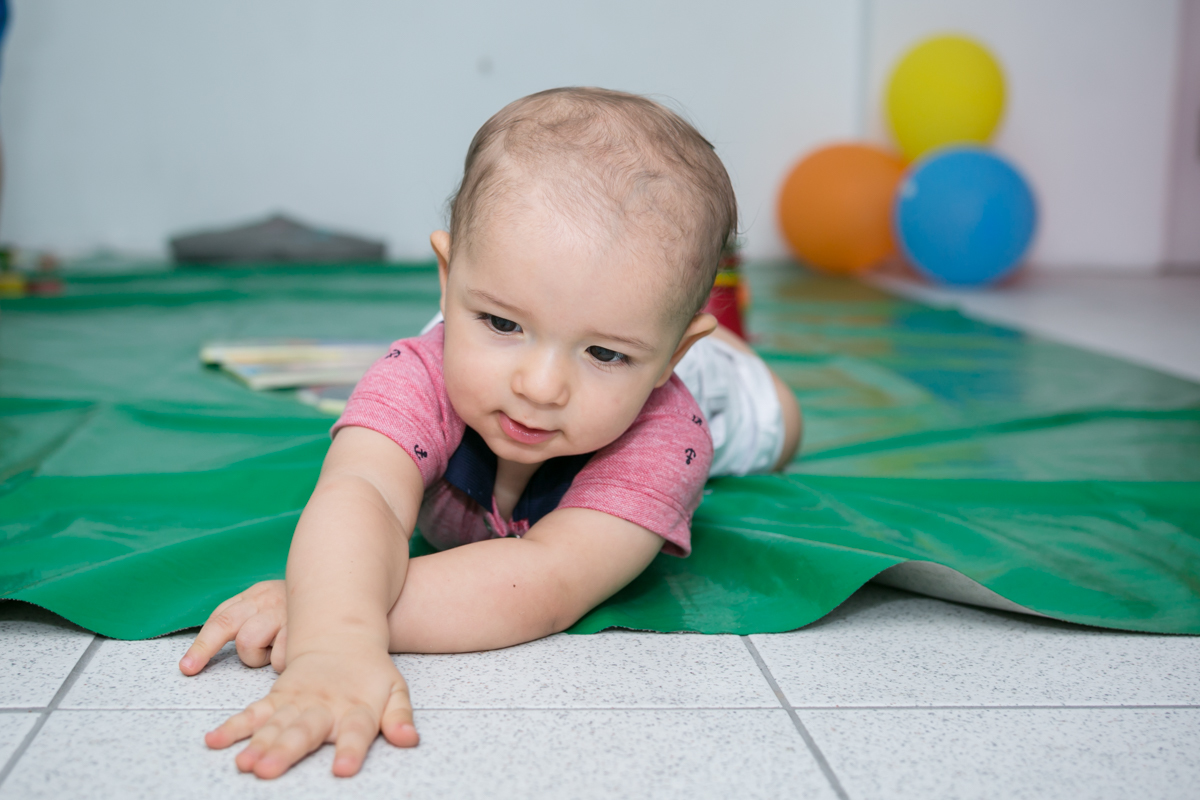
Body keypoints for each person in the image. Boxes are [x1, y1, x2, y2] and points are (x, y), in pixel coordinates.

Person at [178, 87, 802, 779]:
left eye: (604, 353)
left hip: (725, 394)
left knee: (780, 422)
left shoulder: (666, 432)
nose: (539, 386)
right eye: (503, 325)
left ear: (669, 357)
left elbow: (546, 578)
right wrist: (333, 641)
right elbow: (363, 492)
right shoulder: (421, 370)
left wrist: (325, 606)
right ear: (448, 284)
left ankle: (727, 359)